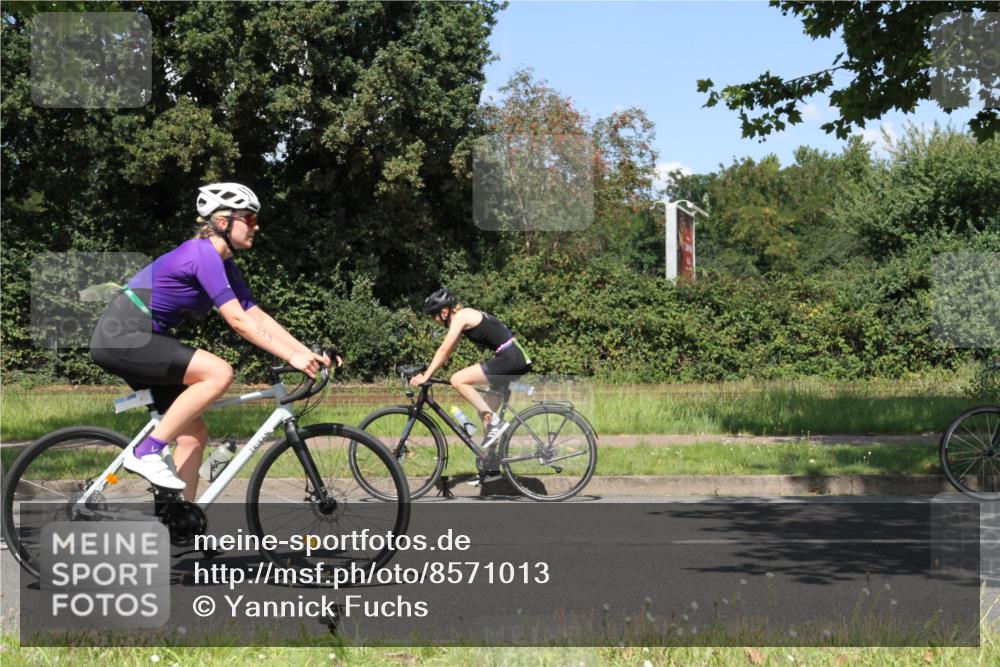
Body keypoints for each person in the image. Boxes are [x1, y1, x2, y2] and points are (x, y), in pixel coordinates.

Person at [90, 182, 331, 499]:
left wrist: (305, 352)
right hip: (124, 335)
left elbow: (254, 313)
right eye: (250, 218)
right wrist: (291, 358)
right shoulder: (202, 253)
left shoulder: (222, 261)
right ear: (222, 222)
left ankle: (179, 523)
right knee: (219, 372)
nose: (256, 226)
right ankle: (146, 452)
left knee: (193, 433)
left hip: (141, 336)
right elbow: (237, 321)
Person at [410, 288, 532, 455]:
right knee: (485, 414)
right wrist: (429, 371)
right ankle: (490, 466)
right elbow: (448, 352)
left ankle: (496, 424)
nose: (434, 320)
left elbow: (444, 350)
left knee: (457, 379)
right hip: (513, 357)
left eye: (433, 315)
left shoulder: (462, 316)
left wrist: (425, 377)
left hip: (511, 358)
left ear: (444, 312)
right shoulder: (463, 318)